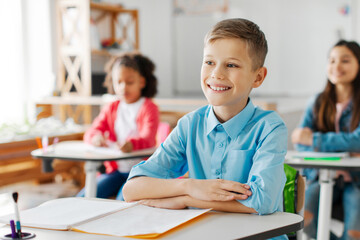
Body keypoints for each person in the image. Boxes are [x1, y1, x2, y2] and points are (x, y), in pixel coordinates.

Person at [123, 18, 288, 239]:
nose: (216, 74)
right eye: (209, 62)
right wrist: (189, 186)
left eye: (231, 65)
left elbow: (262, 202)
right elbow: (132, 189)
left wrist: (185, 200)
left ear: (258, 77)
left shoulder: (269, 127)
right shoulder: (189, 125)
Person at [291, 40, 360, 240]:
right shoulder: (317, 101)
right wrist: (346, 146)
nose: (336, 66)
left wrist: (315, 139)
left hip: (355, 180)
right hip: (319, 176)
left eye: (345, 60)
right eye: (331, 60)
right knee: (304, 223)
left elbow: (358, 140)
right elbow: (299, 141)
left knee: (354, 233)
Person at [77, 52, 159, 200]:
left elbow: (148, 138)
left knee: (122, 202)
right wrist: (95, 137)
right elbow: (91, 131)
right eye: (118, 82)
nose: (123, 87)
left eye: (129, 82)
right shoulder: (112, 108)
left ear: (141, 82)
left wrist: (131, 145)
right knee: (83, 197)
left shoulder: (149, 108)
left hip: (139, 173)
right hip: (115, 171)